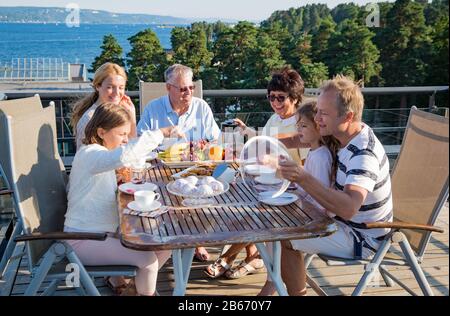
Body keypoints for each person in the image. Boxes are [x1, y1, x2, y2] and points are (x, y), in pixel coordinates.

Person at [277, 75, 393, 296]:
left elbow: (349, 208)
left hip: (362, 238)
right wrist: (259, 141)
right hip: (343, 223)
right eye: (317, 110)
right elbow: (298, 139)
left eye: (323, 113)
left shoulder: (363, 154)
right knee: (278, 218)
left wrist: (303, 178)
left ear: (348, 116)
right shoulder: (346, 133)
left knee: (282, 236)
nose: (316, 118)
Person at [64, 102, 181, 296]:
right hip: (83, 240)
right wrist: (161, 132)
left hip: (104, 233)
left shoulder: (100, 155)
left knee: (166, 245)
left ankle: (133, 291)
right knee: (149, 262)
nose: (126, 140)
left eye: (127, 135)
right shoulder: (90, 154)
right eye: (122, 134)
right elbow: (126, 155)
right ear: (102, 132)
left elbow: (125, 158)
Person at [205, 67, 308, 279]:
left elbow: (308, 169)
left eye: (281, 98)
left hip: (292, 191)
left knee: (249, 214)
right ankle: (253, 256)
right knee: (232, 195)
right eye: (272, 98)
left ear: (296, 98)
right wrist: (243, 143)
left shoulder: (303, 124)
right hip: (270, 183)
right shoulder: (276, 119)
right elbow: (264, 144)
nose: (276, 103)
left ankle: (227, 258)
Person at [258, 100, 340, 296]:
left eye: (303, 126)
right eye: (298, 125)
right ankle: (274, 279)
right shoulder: (314, 152)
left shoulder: (321, 157)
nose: (298, 131)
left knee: (274, 230)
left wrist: (294, 189)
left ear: (319, 129)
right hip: (308, 211)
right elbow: (309, 187)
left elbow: (319, 198)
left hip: (315, 218)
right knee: (268, 220)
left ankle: (281, 283)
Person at [137, 64, 220, 142]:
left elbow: (216, 139)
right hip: (160, 156)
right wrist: (162, 133)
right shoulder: (153, 109)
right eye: (183, 89)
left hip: (195, 156)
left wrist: (205, 147)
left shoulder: (201, 107)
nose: (189, 92)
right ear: (168, 87)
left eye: (191, 87)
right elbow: (139, 141)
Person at [71, 62, 136, 150]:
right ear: (98, 86)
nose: (117, 93)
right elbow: (88, 159)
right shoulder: (89, 118)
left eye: (121, 88)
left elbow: (132, 146)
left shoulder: (117, 113)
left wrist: (131, 115)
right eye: (110, 87)